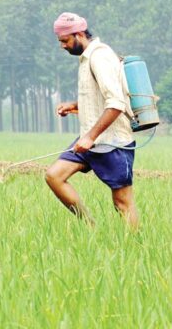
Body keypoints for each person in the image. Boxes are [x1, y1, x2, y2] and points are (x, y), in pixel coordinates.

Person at [45, 12, 139, 229]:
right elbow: (98, 96)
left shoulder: (100, 57)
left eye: (65, 41)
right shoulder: (87, 57)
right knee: (54, 176)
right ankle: (91, 227)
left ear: (78, 34)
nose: (62, 46)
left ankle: (136, 246)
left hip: (112, 141)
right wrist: (74, 105)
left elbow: (116, 103)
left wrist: (90, 137)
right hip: (92, 138)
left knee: (122, 202)